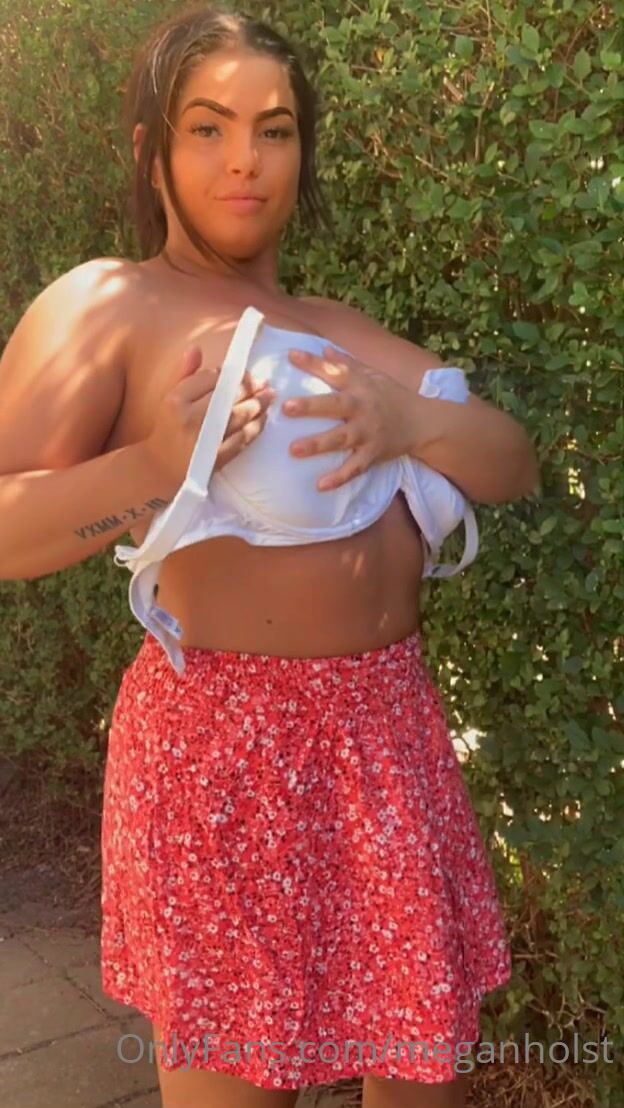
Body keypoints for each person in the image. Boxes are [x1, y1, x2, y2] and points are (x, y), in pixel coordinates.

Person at [0, 6, 539, 1107]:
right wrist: (156, 464)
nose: (245, 158)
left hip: (385, 737)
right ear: (151, 152)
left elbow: (511, 462)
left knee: (422, 1077)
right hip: (221, 758)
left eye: (274, 128)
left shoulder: (338, 322)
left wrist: (412, 420)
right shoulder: (110, 303)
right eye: (208, 127)